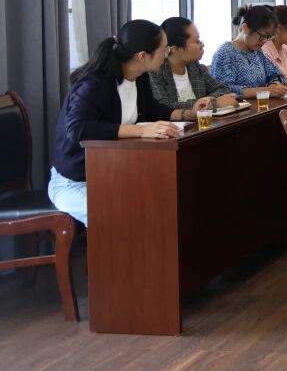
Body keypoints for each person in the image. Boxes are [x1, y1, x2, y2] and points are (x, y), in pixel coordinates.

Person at [50, 21, 212, 225]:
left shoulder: (139, 77)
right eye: (163, 49)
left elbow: (151, 109)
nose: (166, 55)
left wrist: (188, 113)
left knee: (169, 200)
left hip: (116, 172)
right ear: (142, 56)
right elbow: (77, 129)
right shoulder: (94, 84)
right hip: (76, 180)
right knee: (121, 218)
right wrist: (140, 131)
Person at [150, 17, 238, 110]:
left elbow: (222, 90)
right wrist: (212, 103)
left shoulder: (194, 66)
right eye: (197, 41)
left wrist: (206, 101)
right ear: (175, 49)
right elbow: (164, 107)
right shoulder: (155, 72)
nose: (202, 44)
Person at [210, 5, 287, 98]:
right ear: (245, 28)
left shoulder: (257, 52)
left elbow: (275, 74)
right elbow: (224, 90)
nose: (264, 41)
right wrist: (266, 91)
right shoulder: (225, 53)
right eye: (262, 35)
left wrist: (274, 84)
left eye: (268, 36)